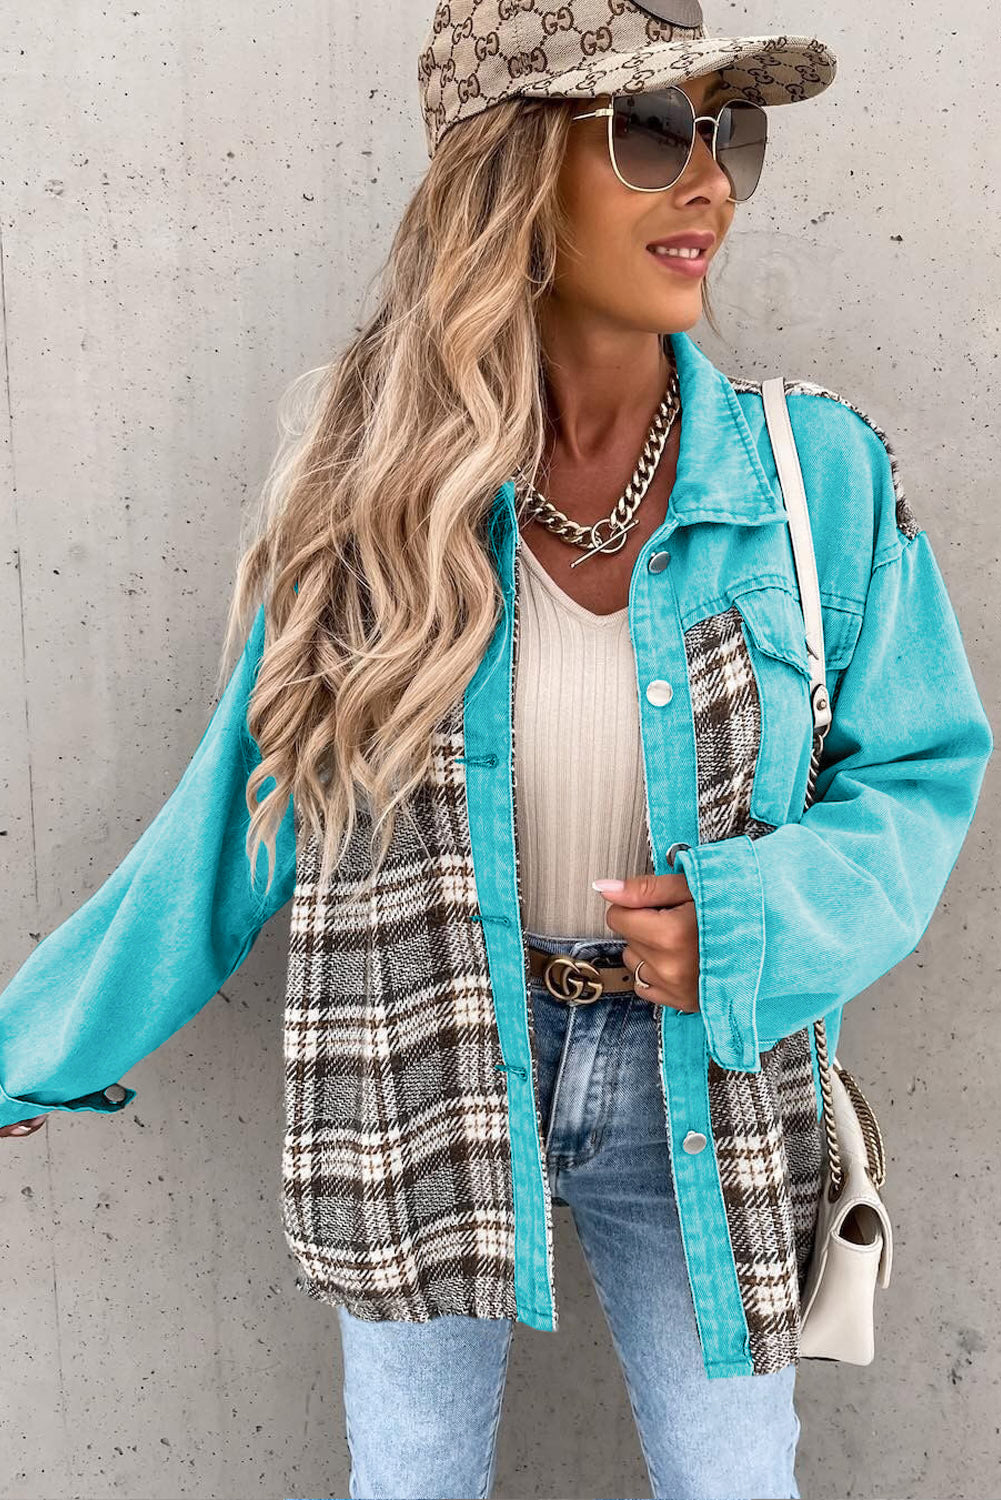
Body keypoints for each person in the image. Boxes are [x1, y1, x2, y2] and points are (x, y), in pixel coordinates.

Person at [1, 3, 993, 1498]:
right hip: (420, 1054)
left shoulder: (815, 472)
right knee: (409, 1485)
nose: (707, 179)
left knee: (737, 1481)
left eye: (724, 133)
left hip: (705, 1070)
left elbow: (916, 773)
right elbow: (231, 828)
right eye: (649, 131)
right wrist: (20, 1054)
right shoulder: (372, 496)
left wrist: (753, 925)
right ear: (514, 173)